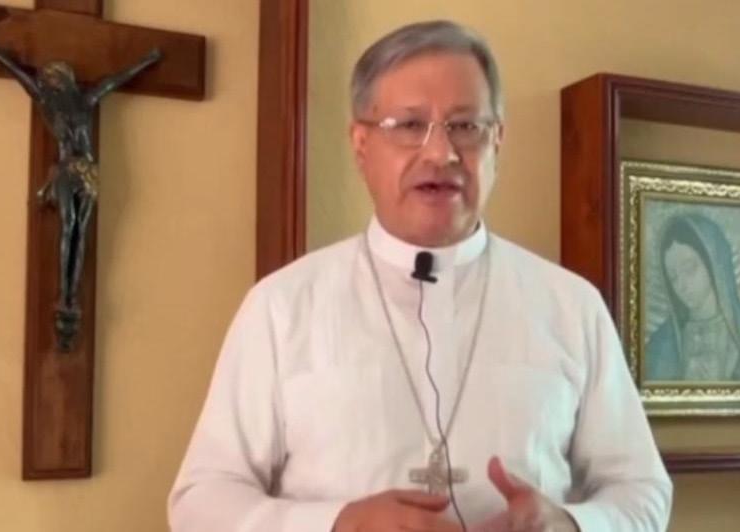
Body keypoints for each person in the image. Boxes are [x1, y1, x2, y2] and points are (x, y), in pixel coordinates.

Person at [168, 20, 672, 532]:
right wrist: (339, 524)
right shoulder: (281, 306)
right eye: (409, 125)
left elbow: (642, 490)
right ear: (361, 144)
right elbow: (199, 502)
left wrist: (568, 524)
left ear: (497, 141)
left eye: (465, 126)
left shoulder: (570, 305)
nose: (440, 153)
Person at [644, 214, 740, 383]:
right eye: (673, 277)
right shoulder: (661, 345)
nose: (682, 286)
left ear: (713, 263)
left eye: (689, 268)